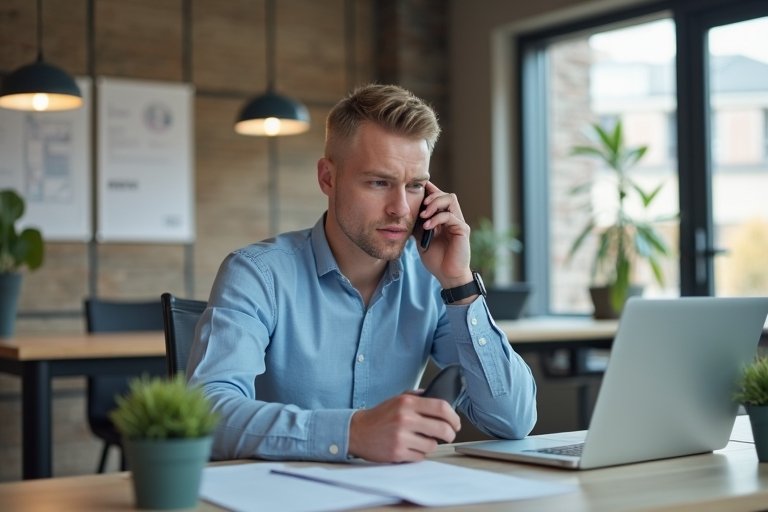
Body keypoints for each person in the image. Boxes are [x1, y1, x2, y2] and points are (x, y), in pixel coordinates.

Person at [186, 83, 537, 463]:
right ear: (328, 178)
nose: (400, 208)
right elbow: (207, 413)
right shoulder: (257, 274)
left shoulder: (432, 280)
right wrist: (350, 433)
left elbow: (513, 420)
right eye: (379, 182)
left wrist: (459, 282)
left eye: (415, 186)